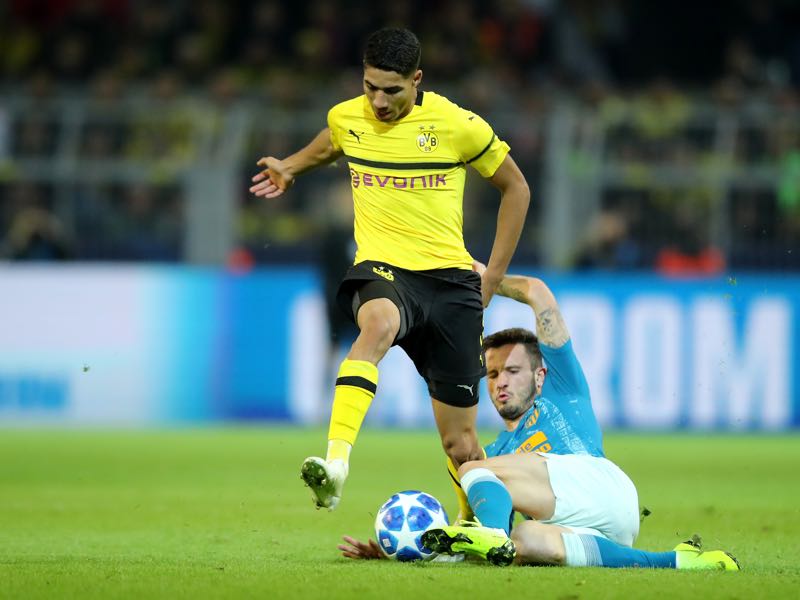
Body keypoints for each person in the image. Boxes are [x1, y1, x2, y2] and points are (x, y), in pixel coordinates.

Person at [250, 28, 530, 510]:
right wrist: (292, 166)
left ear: (417, 80)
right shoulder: (347, 116)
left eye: (392, 91)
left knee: (460, 445)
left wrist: (490, 278)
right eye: (369, 87)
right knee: (376, 323)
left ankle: (474, 528)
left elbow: (517, 189)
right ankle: (335, 464)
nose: (378, 101)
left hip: (451, 283)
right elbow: (331, 143)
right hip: (384, 268)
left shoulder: (456, 125)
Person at [338, 263, 740, 571]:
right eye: (492, 374)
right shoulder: (498, 454)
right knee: (523, 540)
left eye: (512, 372)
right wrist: (402, 553)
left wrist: (484, 274)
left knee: (475, 471)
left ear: (541, 374)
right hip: (601, 529)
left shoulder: (563, 388)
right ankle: (677, 561)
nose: (500, 383)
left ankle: (494, 532)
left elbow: (538, 293)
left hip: (602, 484)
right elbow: (475, 542)